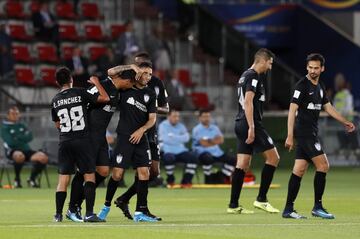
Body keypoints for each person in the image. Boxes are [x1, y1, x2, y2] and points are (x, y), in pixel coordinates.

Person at [282, 54, 356, 219]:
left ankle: (288, 209)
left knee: (299, 170)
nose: (313, 71)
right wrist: (289, 135)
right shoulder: (301, 86)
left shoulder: (320, 86)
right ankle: (318, 206)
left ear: (322, 68)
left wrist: (344, 121)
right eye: (310, 67)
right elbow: (292, 110)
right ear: (307, 67)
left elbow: (328, 108)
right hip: (305, 134)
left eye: (316, 68)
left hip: (310, 133)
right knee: (323, 165)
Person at [64, 64, 140, 222]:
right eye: (130, 83)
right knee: (84, 172)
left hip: (100, 136)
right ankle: (73, 207)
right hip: (88, 135)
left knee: (104, 171)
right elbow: (83, 104)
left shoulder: (118, 91)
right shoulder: (103, 85)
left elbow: (112, 72)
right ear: (125, 80)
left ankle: (78, 203)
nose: (130, 86)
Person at [98, 61, 159, 222]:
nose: (148, 77)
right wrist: (131, 66)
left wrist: (141, 130)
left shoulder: (150, 94)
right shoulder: (125, 89)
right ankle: (106, 206)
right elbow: (110, 72)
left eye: (150, 74)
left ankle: (140, 212)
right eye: (145, 73)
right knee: (117, 174)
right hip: (124, 137)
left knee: (144, 173)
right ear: (138, 73)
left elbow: (152, 119)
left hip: (141, 138)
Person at [113, 52, 169, 221]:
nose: (138, 70)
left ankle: (124, 199)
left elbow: (166, 109)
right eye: (135, 66)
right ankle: (141, 208)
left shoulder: (157, 84)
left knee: (154, 172)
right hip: (131, 132)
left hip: (150, 132)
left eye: (141, 67)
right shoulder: (128, 82)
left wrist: (149, 107)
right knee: (140, 170)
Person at [51, 67, 109, 222]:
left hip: (65, 141)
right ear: (71, 79)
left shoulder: (55, 100)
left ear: (57, 82)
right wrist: (97, 83)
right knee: (89, 176)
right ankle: (89, 213)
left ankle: (58, 214)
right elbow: (105, 98)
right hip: (82, 140)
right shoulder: (80, 92)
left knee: (63, 180)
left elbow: (57, 123)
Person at [228, 48, 280, 215]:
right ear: (263, 61)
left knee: (242, 164)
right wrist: (252, 127)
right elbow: (248, 102)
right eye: (270, 63)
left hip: (240, 122)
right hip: (251, 123)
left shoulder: (244, 75)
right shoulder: (253, 76)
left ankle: (233, 205)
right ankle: (262, 199)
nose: (270, 68)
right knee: (274, 158)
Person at [1, 106, 48, 188]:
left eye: (17, 114)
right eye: (13, 114)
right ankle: (17, 179)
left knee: (43, 157)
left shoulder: (22, 125)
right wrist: (22, 137)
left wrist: (17, 137)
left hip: (26, 150)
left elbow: (30, 137)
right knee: (19, 156)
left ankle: (32, 179)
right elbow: (10, 142)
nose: (15, 115)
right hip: (12, 151)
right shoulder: (4, 127)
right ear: (8, 115)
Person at [192, 109, 236, 184]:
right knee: (207, 158)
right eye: (204, 116)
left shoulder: (215, 128)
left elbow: (221, 140)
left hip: (217, 152)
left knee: (234, 160)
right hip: (202, 153)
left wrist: (209, 140)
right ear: (199, 118)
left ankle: (222, 177)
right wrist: (214, 141)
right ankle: (208, 179)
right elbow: (203, 144)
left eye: (208, 116)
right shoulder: (196, 129)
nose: (207, 118)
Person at [158, 110, 198, 188]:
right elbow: (165, 139)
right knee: (169, 158)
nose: (177, 118)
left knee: (193, 158)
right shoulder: (162, 125)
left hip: (181, 150)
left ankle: (186, 181)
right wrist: (179, 138)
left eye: (178, 116)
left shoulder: (181, 126)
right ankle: (170, 179)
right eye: (174, 116)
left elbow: (186, 138)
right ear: (168, 116)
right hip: (167, 150)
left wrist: (172, 137)